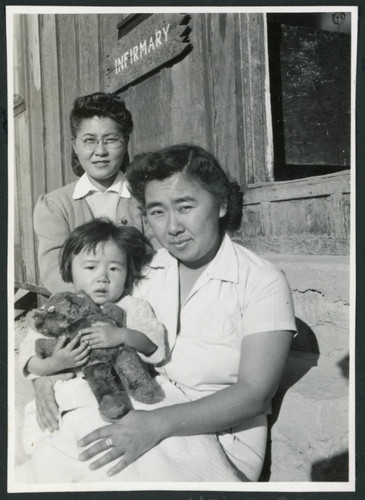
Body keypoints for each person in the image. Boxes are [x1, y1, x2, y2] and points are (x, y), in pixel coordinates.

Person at [32, 144, 296, 482]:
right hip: (143, 404)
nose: (172, 227)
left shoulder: (260, 281)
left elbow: (254, 395)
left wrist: (156, 424)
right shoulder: (150, 270)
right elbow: (87, 323)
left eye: (185, 207)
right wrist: (45, 377)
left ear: (221, 204)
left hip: (217, 433)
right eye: (157, 212)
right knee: (58, 459)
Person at [18, 219, 167, 474]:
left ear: (128, 273)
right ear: (69, 272)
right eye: (90, 267)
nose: (102, 278)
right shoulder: (58, 308)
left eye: (114, 269)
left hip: (121, 391)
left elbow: (154, 346)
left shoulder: (132, 306)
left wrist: (121, 335)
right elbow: (28, 353)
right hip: (70, 391)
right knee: (53, 440)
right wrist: (54, 364)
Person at [33, 92, 146, 295]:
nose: (100, 151)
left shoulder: (145, 197)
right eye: (89, 140)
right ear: (75, 145)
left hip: (142, 304)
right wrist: (92, 308)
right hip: (83, 313)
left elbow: (159, 261)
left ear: (126, 142)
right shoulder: (55, 205)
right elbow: (55, 272)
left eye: (111, 140)